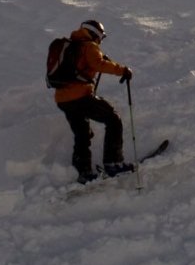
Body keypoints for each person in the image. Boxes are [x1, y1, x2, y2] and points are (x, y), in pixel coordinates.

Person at [51, 19, 135, 182]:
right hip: (80, 97)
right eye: (101, 37)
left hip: (63, 100)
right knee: (113, 119)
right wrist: (123, 70)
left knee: (82, 134)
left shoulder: (72, 45)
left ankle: (82, 172)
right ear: (95, 34)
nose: (100, 41)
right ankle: (113, 163)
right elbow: (99, 64)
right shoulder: (88, 46)